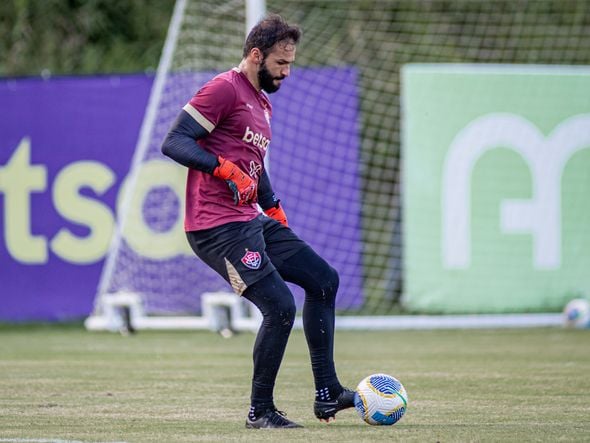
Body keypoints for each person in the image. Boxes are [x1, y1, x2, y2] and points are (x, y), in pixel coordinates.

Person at [161, 14, 354, 429]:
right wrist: (223, 169)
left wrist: (274, 206)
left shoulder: (262, 102)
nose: (287, 72)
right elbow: (174, 141)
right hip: (215, 228)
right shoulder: (224, 89)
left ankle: (327, 394)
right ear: (255, 55)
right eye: (281, 64)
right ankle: (260, 412)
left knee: (324, 280)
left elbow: (253, 164)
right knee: (280, 306)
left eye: (290, 64)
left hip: (250, 219)